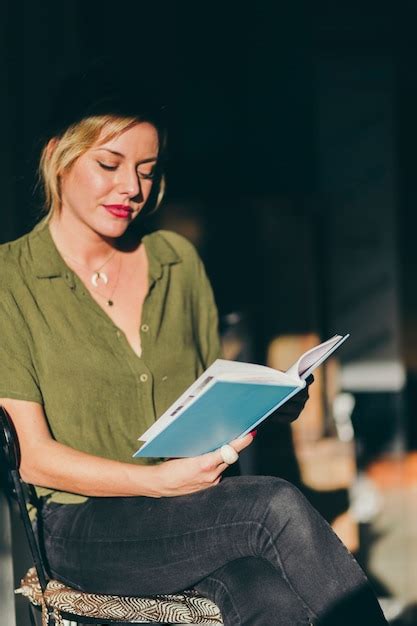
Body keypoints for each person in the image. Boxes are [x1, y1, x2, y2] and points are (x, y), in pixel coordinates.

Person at [0, 74, 387, 626]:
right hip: (79, 526)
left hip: (184, 515)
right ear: (57, 156)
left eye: (146, 170)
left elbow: (206, 402)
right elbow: (32, 457)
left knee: (270, 599)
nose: (131, 187)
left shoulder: (176, 261)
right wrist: (155, 481)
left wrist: (264, 407)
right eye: (109, 165)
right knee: (272, 506)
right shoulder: (9, 278)